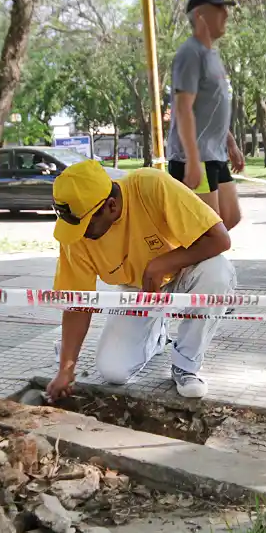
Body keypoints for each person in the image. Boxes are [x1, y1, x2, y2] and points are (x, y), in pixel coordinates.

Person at [45, 160, 236, 402]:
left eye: (87, 225)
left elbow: (219, 239)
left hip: (186, 272)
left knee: (217, 272)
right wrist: (66, 369)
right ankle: (157, 337)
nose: (80, 234)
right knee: (113, 371)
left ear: (111, 206)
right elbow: (78, 303)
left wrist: (161, 264)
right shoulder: (75, 235)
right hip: (137, 290)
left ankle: (186, 364)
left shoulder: (151, 185)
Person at [167, 0, 245, 231]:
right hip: (195, 158)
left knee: (230, 218)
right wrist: (191, 159)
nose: (226, 14)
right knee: (208, 231)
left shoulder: (212, 55)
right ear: (200, 15)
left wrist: (230, 143)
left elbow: (212, 108)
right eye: (218, 9)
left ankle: (188, 263)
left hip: (215, 154)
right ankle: (177, 266)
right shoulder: (190, 54)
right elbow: (183, 109)